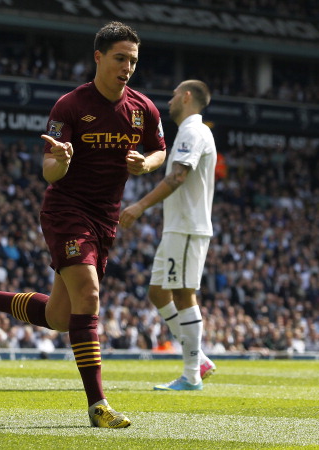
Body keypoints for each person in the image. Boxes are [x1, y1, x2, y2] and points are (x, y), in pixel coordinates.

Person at [0, 21, 166, 427]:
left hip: (106, 218)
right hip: (67, 209)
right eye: (120, 58)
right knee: (89, 296)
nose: (127, 67)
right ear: (98, 57)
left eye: (133, 61)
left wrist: (147, 164)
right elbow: (49, 171)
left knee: (58, 317)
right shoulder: (69, 106)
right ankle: (97, 405)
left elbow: (159, 150)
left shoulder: (143, 108)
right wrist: (62, 161)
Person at [120, 79, 217, 390]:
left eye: (175, 95)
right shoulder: (190, 131)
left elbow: (178, 176)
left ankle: (191, 374)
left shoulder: (193, 131)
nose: (171, 100)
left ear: (187, 97)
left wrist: (140, 206)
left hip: (187, 226)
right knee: (158, 292)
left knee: (183, 293)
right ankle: (198, 357)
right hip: (177, 226)